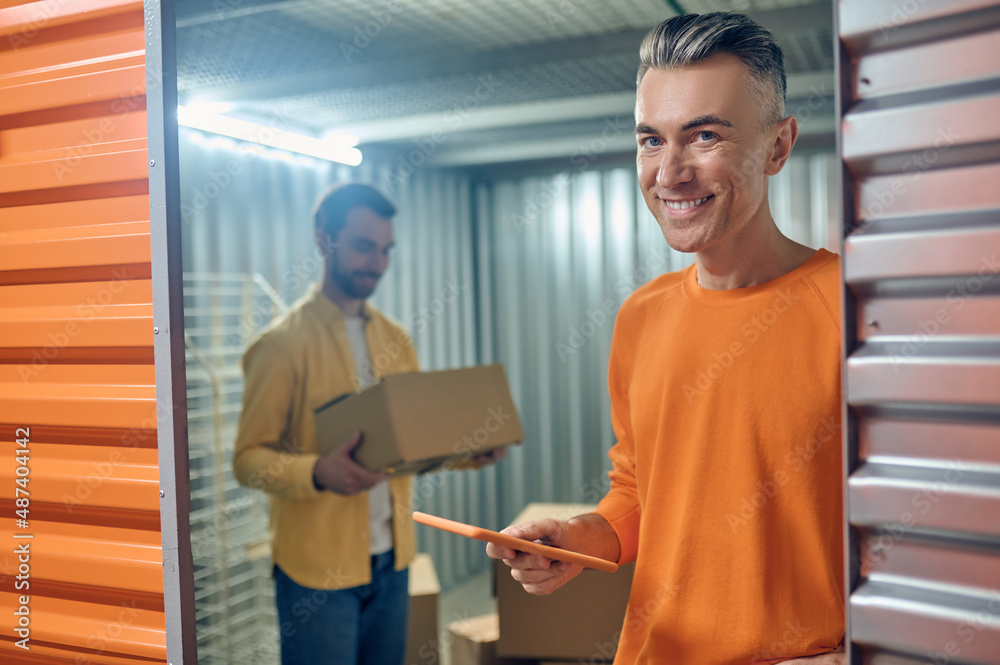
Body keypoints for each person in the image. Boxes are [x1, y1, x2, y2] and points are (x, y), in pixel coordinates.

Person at [487, 12, 845, 665]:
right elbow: (639, 490)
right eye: (651, 140)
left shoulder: (853, 312)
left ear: (779, 145)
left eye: (704, 135)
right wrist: (578, 538)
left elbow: (931, 531)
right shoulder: (641, 317)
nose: (670, 172)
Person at [233, 183, 502, 665]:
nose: (377, 262)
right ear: (324, 239)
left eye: (385, 250)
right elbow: (248, 461)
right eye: (363, 245)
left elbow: (411, 445)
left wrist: (468, 450)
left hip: (393, 565)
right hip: (317, 574)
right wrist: (318, 472)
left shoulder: (395, 339)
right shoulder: (280, 347)